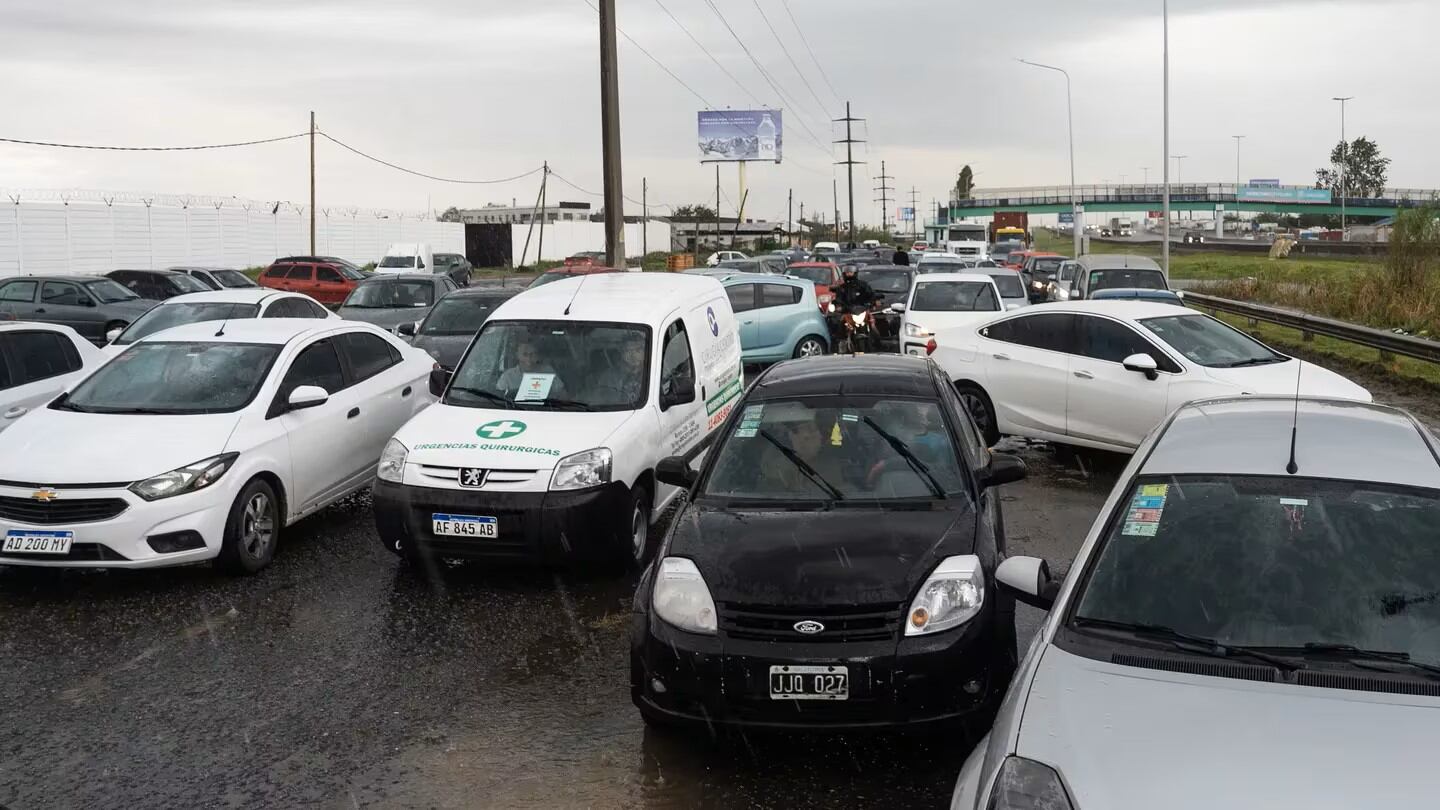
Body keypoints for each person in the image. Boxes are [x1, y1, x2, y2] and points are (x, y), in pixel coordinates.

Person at [497, 336, 567, 399]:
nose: (529, 359)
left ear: (538, 356)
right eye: (525, 354)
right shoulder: (507, 377)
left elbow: (563, 395)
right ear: (517, 355)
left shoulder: (548, 372)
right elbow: (498, 399)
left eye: (533, 354)